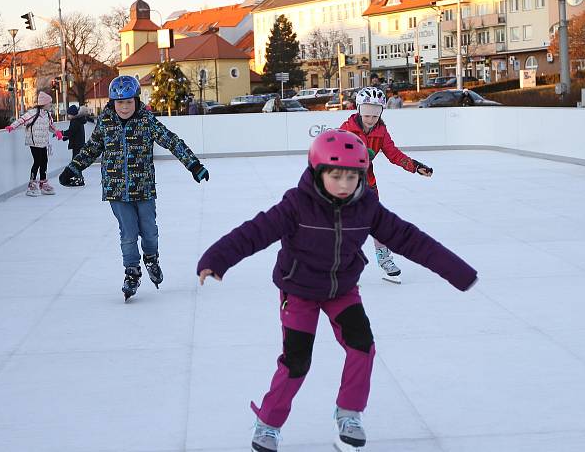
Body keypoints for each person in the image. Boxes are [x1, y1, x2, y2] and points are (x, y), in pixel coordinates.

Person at [196, 129, 478, 452]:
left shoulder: (367, 207)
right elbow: (255, 232)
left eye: (352, 177)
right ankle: (268, 423)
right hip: (299, 289)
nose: (345, 185)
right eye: (336, 175)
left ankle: (349, 413)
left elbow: (411, 239)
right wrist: (217, 258)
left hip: (342, 288)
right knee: (297, 361)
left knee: (362, 346)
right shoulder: (296, 205)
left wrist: (457, 271)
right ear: (318, 172)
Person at [58, 75, 210, 301]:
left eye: (129, 102)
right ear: (112, 103)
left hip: (144, 188)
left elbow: (171, 140)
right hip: (116, 190)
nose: (125, 107)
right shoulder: (106, 123)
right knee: (128, 233)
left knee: (148, 230)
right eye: (120, 102)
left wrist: (193, 164)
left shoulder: (146, 121)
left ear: (136, 101)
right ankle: (132, 271)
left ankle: (151, 258)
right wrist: (74, 168)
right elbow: (91, 148)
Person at [340, 86, 433, 284]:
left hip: (368, 184)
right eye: (366, 115)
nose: (370, 120)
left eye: (375, 116)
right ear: (358, 110)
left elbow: (394, 154)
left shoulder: (381, 131)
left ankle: (384, 258)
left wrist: (415, 167)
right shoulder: (346, 129)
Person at [5, 92, 62, 196]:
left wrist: (57, 132)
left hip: (44, 142)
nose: (51, 105)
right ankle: (32, 183)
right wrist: (12, 126)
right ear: (44, 103)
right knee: (37, 162)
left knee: (44, 161)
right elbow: (21, 120)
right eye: (50, 103)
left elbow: (51, 126)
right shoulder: (33, 113)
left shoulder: (47, 115)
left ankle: (43, 183)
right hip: (34, 142)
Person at [59, 105, 89, 186]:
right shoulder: (78, 121)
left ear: (72, 114)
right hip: (79, 144)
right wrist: (64, 137)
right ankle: (78, 177)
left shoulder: (75, 121)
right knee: (76, 163)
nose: (68, 116)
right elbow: (73, 133)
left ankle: (79, 179)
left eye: (68, 114)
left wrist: (62, 133)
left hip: (77, 145)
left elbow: (71, 132)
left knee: (75, 163)